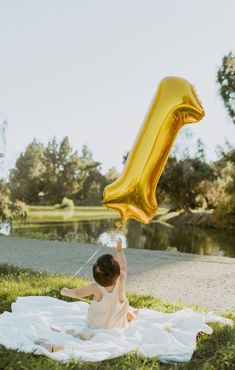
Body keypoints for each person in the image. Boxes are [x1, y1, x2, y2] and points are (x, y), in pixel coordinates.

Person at [60, 237, 138, 329]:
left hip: (97, 324)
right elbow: (124, 265)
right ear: (117, 272)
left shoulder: (95, 287)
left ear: (96, 277)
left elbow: (77, 293)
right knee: (125, 313)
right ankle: (133, 315)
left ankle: (131, 315)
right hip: (117, 322)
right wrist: (119, 251)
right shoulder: (121, 277)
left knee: (117, 312)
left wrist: (65, 291)